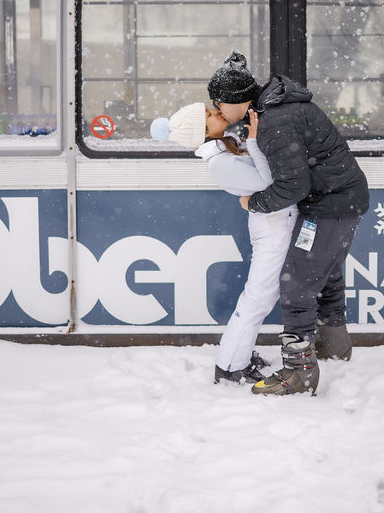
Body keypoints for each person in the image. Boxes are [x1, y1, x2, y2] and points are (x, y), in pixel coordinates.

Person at [207, 51, 369, 396]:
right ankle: (333, 348)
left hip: (331, 205)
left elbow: (293, 186)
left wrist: (254, 203)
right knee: (325, 275)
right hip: (338, 200)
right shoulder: (271, 112)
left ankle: (300, 372)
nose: (218, 110)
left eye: (219, 103)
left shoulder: (274, 122)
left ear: (238, 100)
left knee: (296, 285)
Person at [150, 102, 298, 385]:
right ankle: (230, 366)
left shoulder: (225, 147)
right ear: (204, 132)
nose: (217, 112)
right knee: (258, 298)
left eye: (209, 109)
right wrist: (254, 142)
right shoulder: (220, 162)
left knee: (261, 297)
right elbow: (269, 182)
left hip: (276, 220)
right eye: (209, 115)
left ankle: (237, 355)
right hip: (272, 225)